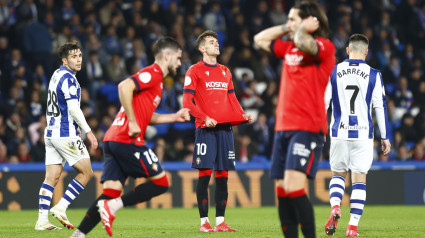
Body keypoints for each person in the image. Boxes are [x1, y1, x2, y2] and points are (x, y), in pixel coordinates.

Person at [70, 37, 188, 238]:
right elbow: (124, 86)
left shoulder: (156, 83)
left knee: (110, 193)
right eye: (178, 57)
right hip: (127, 138)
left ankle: (78, 236)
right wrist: (133, 121)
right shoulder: (154, 73)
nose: (179, 62)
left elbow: (148, 117)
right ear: (167, 55)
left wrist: (174, 116)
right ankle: (114, 207)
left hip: (113, 139)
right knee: (161, 183)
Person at [254, 1, 335, 237]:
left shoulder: (324, 46)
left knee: (293, 186)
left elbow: (303, 42)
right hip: (283, 127)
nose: (288, 22)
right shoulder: (289, 49)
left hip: (308, 126)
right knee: (281, 190)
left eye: (293, 18)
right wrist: (287, 26)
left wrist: (301, 30)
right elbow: (259, 39)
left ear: (310, 21)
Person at [182, 30, 252, 233]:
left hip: (225, 129)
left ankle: (220, 221)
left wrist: (242, 115)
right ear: (202, 48)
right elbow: (187, 102)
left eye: (217, 41)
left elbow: (232, 99)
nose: (216, 44)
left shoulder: (225, 71)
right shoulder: (194, 71)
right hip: (206, 129)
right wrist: (204, 118)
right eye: (212, 42)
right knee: (205, 175)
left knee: (223, 176)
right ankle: (204, 222)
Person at [324, 34, 391, 237]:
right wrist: (385, 136)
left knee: (338, 176)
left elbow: (324, 103)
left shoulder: (334, 71)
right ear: (366, 51)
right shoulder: (374, 74)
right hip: (363, 135)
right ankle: (352, 227)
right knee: (359, 180)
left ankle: (336, 206)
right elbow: (380, 106)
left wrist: (320, 128)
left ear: (347, 50)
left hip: (339, 132)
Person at [35, 41, 98, 230]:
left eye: (79, 55)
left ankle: (42, 221)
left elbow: (57, 104)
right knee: (86, 172)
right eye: (73, 56)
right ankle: (61, 207)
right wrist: (89, 131)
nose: (78, 60)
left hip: (51, 132)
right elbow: (73, 107)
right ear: (65, 60)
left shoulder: (56, 74)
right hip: (64, 133)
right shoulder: (70, 79)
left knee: (51, 178)